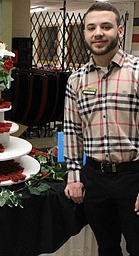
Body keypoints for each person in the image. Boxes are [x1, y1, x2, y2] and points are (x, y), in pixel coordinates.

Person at [63, 2, 139, 256]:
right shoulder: (76, 79)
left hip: (133, 177)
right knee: (106, 247)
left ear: (119, 30)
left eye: (105, 26)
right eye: (91, 27)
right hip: (94, 178)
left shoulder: (137, 72)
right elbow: (72, 130)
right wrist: (74, 176)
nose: (98, 33)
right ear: (84, 33)